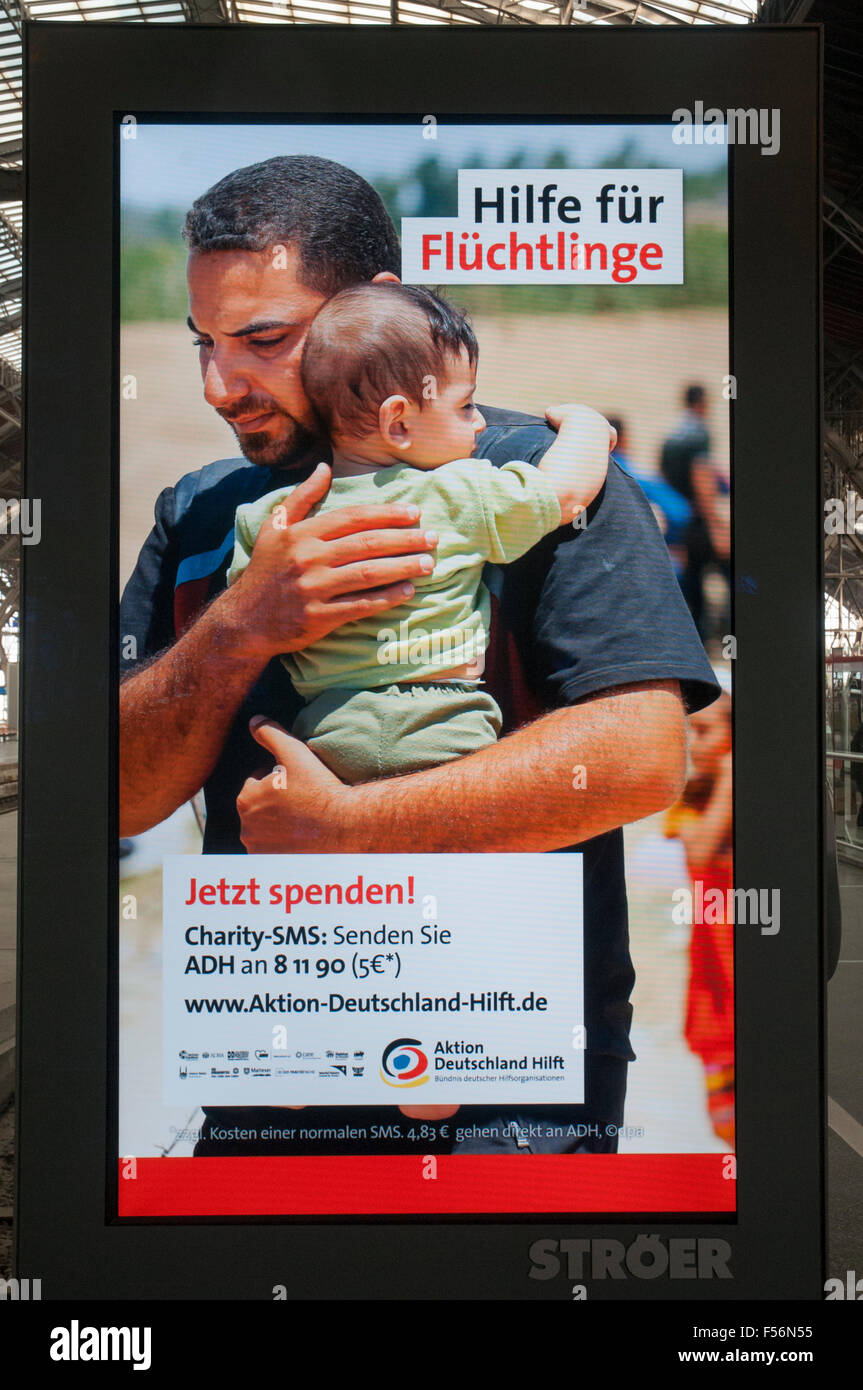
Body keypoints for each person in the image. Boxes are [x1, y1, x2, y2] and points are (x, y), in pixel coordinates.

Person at [119, 153, 721, 1159]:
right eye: (204, 345)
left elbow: (637, 756)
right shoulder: (202, 517)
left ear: (374, 308)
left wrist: (353, 825)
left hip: (513, 1092)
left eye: (263, 338)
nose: (224, 384)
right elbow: (113, 795)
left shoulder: (526, 477)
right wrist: (238, 628)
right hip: (270, 1068)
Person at [228, 282, 613, 785]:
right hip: (445, 728)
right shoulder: (457, 494)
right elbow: (564, 494)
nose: (479, 424)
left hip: (325, 740)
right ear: (399, 423)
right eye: (465, 406)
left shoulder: (268, 518)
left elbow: (246, 611)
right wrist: (586, 425)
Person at [664, 670, 734, 1148]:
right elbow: (700, 851)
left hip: (742, 979)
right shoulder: (686, 805)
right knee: (727, 1118)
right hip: (713, 987)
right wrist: (732, 774)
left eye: (706, 730)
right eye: (686, 731)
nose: (693, 742)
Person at [606, 415, 691, 581]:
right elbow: (680, 513)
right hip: (643, 568)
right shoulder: (634, 475)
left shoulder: (585, 477)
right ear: (622, 439)